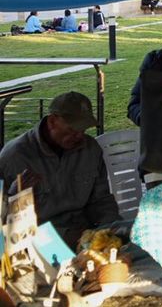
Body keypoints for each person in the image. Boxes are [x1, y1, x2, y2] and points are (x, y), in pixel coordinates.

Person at [0, 92, 120, 247]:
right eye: (72, 129)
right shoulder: (14, 157)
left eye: (83, 130)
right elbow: (5, 225)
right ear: (52, 122)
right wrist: (14, 196)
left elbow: (101, 199)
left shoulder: (90, 150)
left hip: (86, 235)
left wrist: (111, 227)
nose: (79, 136)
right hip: (38, 242)